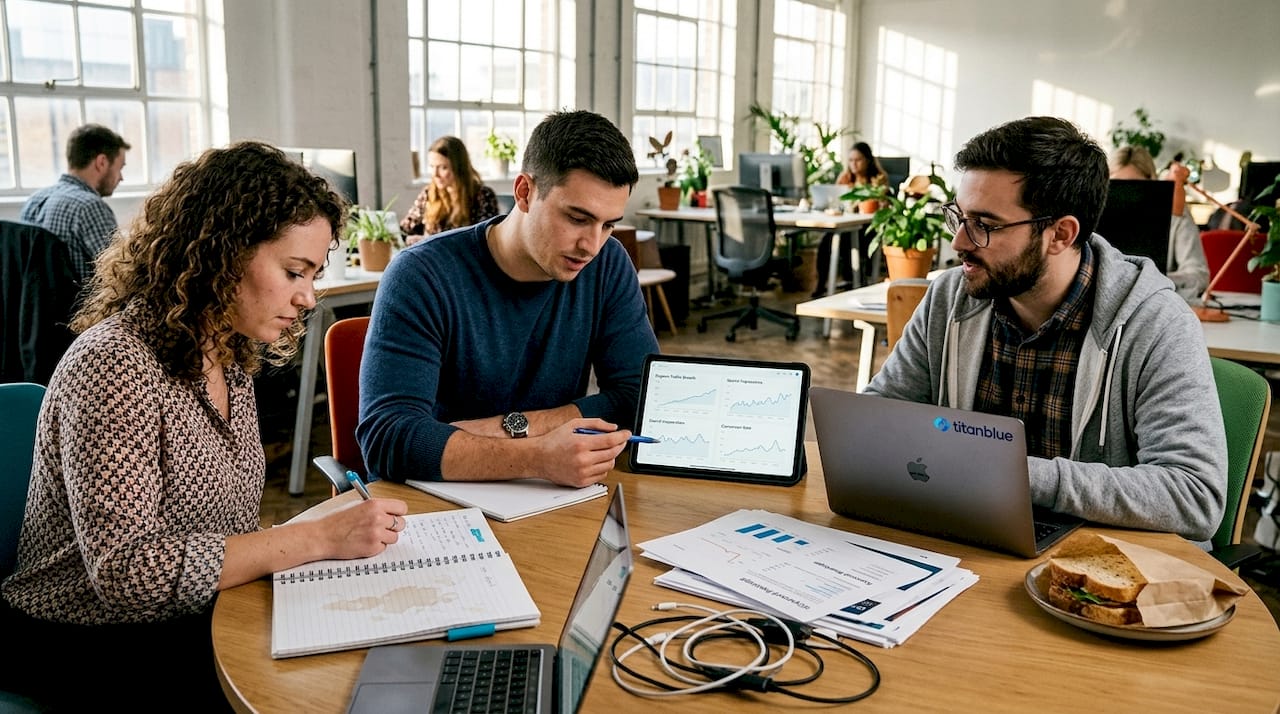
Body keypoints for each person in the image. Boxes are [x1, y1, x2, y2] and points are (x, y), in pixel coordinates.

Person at [0, 141, 409, 711]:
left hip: (190, 614)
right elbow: (126, 574)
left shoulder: (228, 353)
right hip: (86, 641)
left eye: (312, 275)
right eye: (294, 271)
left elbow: (224, 525)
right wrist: (312, 539)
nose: (307, 297)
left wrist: (314, 544)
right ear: (223, 253)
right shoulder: (115, 364)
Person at [864, 116, 1227, 544]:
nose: (959, 241)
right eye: (959, 218)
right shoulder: (950, 297)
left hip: (1101, 567)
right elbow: (877, 421)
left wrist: (1017, 474)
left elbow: (1194, 496)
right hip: (971, 543)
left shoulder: (1155, 322)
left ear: (1060, 234)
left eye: (985, 225)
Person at [359, 110, 658, 486]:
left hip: (547, 496)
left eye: (608, 224)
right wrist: (538, 456)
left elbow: (642, 397)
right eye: (577, 218)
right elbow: (388, 439)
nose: (592, 245)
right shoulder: (420, 275)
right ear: (524, 192)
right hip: (433, 500)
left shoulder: (608, 264)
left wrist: (510, 428)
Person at [20, 123, 131, 282]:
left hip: (37, 306)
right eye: (120, 168)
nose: (121, 177)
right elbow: (120, 276)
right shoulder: (89, 207)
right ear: (102, 162)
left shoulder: (34, 200)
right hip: (79, 306)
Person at [1108, 145, 1210, 300]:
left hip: (1157, 305)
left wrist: (1149, 280)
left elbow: (1198, 276)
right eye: (1118, 186)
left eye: (1135, 186)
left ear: (1152, 181)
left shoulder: (1177, 214)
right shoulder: (1096, 213)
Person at [812, 142, 888, 298]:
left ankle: (855, 282)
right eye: (851, 160)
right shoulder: (845, 178)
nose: (853, 164)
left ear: (868, 160)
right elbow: (835, 201)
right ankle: (822, 284)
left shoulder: (878, 179)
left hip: (867, 229)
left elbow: (883, 206)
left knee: (846, 241)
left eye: (858, 160)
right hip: (845, 225)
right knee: (826, 243)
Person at [399, 135, 501, 245]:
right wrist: (409, 239)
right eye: (432, 167)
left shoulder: (483, 196)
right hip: (430, 259)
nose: (435, 174)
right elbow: (404, 230)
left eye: (443, 167)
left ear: (459, 167)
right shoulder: (429, 193)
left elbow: (482, 241)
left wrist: (430, 242)